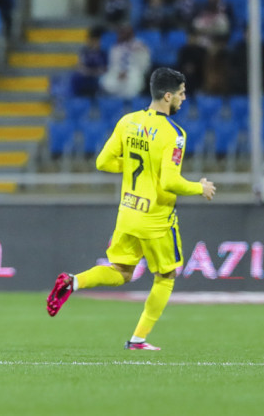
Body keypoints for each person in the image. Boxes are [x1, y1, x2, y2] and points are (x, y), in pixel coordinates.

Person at [46, 68, 217, 350]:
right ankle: (138, 339)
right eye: (181, 93)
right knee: (166, 276)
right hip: (156, 219)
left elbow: (102, 162)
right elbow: (170, 181)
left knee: (122, 271)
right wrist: (200, 187)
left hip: (127, 213)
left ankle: (73, 282)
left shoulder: (128, 122)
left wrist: (135, 166)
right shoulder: (174, 134)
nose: (184, 99)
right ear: (167, 96)